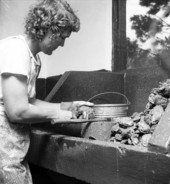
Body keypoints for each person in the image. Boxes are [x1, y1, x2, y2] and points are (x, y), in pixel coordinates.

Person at [0, 0, 93, 183]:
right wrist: (60, 114)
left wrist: (69, 107)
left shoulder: (32, 57)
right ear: (48, 29)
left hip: (12, 151)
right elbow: (17, 110)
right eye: (62, 37)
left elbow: (28, 101)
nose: (63, 44)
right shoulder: (16, 50)